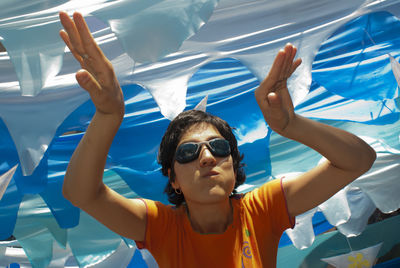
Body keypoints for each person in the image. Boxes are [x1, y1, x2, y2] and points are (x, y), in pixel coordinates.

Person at [59, 11, 376, 268]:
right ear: (173, 178)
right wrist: (107, 116)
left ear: (233, 165)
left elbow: (359, 161)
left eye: (219, 147)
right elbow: (80, 193)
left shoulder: (262, 209)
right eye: (188, 153)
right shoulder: (160, 226)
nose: (207, 157)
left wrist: (292, 125)